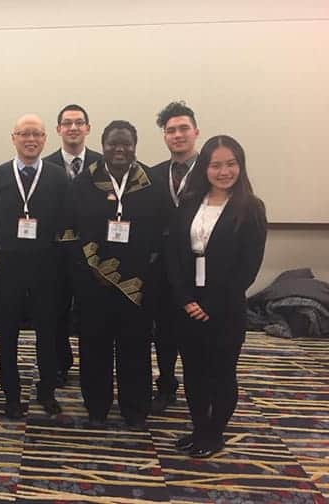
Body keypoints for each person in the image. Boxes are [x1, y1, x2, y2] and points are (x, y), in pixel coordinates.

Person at [166, 135, 266, 458]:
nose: (224, 171)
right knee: (193, 370)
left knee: (221, 372)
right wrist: (185, 299)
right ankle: (198, 428)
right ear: (205, 168)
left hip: (225, 307)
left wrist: (210, 305)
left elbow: (248, 267)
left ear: (241, 165)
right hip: (187, 305)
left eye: (231, 164)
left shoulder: (251, 207)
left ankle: (214, 433)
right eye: (216, 165)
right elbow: (175, 254)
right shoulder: (192, 200)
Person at [68, 120, 164, 429]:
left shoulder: (151, 182)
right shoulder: (84, 182)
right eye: (113, 143)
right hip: (93, 282)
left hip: (135, 284)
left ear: (135, 145)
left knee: (134, 348)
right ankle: (97, 405)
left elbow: (161, 234)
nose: (119, 149)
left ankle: (135, 407)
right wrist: (88, 271)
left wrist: (144, 272)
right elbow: (71, 230)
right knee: (94, 346)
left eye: (126, 143)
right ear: (103, 144)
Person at [0, 113, 68, 419]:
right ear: (13, 138)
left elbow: (64, 219)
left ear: (45, 139)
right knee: (7, 333)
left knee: (48, 332)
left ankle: (46, 391)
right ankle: (11, 394)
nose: (30, 139)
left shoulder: (59, 176)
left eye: (36, 134)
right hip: (9, 266)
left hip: (47, 267)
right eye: (24, 134)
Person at [148, 101, 201, 413]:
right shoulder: (153, 175)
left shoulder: (211, 173)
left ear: (195, 131)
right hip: (162, 271)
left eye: (183, 129)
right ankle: (166, 385)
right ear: (164, 136)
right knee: (164, 332)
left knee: (196, 333)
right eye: (171, 130)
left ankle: (200, 387)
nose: (178, 135)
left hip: (199, 268)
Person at [44, 104, 101, 387]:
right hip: (55, 254)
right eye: (67, 123)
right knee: (56, 311)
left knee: (91, 313)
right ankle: (59, 364)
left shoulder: (104, 165)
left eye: (79, 122)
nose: (73, 128)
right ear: (58, 130)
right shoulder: (44, 165)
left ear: (88, 128)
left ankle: (92, 367)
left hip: (94, 255)